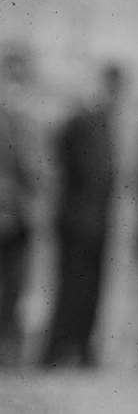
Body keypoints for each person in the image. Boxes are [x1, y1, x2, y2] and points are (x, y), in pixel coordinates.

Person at [40, 62, 126, 369]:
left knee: (91, 289)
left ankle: (81, 346)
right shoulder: (79, 118)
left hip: (98, 222)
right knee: (70, 287)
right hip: (76, 220)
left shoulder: (106, 122)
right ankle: (58, 348)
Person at [0, 45, 42, 368]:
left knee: (15, 286)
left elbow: (35, 169)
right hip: (7, 211)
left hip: (20, 217)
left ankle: (9, 350)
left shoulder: (28, 116)